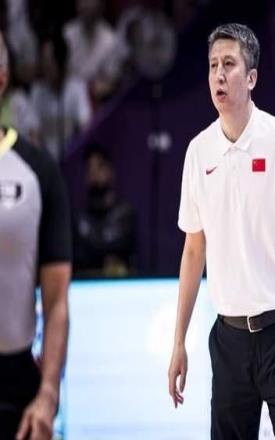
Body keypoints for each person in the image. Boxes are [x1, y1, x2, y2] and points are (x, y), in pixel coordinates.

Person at [168, 23, 275, 439]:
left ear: (251, 78)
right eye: (213, 66)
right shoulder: (198, 151)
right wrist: (178, 341)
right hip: (229, 339)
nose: (218, 75)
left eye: (229, 64)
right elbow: (193, 251)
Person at [0, 32, 72, 440]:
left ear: (2, 78)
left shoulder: (38, 171)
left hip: (15, 387)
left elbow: (57, 300)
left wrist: (48, 392)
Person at [73, 143, 137, 276]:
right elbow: (78, 256)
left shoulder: (125, 214)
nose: (94, 174)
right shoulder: (79, 218)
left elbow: (126, 252)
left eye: (100, 167)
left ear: (110, 171)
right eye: (89, 169)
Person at [31, 33, 91, 162]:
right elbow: (34, 135)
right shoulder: (37, 92)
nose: (46, 67)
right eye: (44, 61)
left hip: (73, 161)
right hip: (46, 163)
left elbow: (85, 127)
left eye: (50, 61)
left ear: (61, 61)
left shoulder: (77, 88)